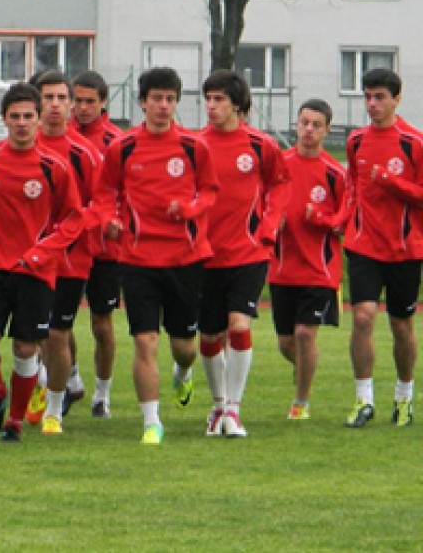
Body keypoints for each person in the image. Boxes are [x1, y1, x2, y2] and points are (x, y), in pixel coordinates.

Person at [93, 66, 218, 444]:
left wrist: (190, 209)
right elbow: (105, 193)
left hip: (185, 258)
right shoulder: (123, 147)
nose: (163, 105)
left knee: (184, 347)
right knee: (144, 340)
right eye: (157, 98)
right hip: (137, 260)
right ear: (142, 102)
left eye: (170, 99)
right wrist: (109, 220)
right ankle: (152, 422)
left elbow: (210, 192)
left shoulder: (195, 147)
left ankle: (183, 372)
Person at [0, 82, 82, 441]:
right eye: (15, 116)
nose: (21, 123)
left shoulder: (54, 167)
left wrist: (43, 252)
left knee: (26, 348)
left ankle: (14, 422)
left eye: (28, 116)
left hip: (35, 271)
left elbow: (73, 219)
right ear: (4, 120)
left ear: (38, 119)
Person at [197, 70, 289, 437]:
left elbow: (280, 186)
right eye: (208, 98)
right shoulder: (195, 144)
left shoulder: (260, 145)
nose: (211, 106)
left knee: (239, 325)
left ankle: (234, 410)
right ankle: (218, 405)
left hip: (248, 252)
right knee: (209, 336)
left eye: (219, 99)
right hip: (204, 255)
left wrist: (268, 228)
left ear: (237, 104)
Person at [342, 67, 423, 428]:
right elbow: (352, 186)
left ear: (396, 99)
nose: (372, 104)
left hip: (404, 248)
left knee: (401, 325)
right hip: (364, 245)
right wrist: (344, 218)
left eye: (379, 97)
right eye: (368, 97)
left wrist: (393, 183)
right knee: (362, 316)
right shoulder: (356, 141)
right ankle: (364, 400)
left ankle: (404, 397)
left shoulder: (413, 143)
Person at [32, 69, 101, 434]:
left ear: (71, 104)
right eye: (48, 98)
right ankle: (53, 382)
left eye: (62, 98)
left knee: (56, 333)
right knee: (33, 334)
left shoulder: (84, 153)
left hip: (71, 258)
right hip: (29, 258)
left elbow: (100, 203)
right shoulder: (24, 146)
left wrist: (70, 230)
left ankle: (54, 410)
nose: (55, 105)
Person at [270, 99, 347, 420]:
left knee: (304, 334)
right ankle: (304, 368)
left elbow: (345, 221)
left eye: (316, 125)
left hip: (319, 269)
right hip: (282, 268)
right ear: (296, 125)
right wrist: (273, 222)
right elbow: (265, 203)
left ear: (327, 130)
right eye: (304, 123)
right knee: (287, 343)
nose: (309, 130)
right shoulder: (280, 165)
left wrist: (321, 218)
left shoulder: (335, 173)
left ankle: (300, 402)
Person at [72, 69, 124, 417]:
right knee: (56, 323)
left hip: (105, 249)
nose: (83, 107)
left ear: (103, 102)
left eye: (90, 101)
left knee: (101, 324)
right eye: (78, 100)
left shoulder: (116, 142)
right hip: (69, 246)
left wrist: (114, 221)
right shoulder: (59, 135)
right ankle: (71, 378)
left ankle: (102, 394)